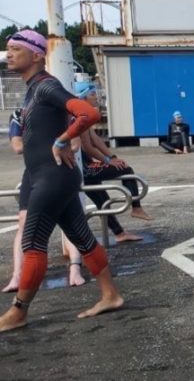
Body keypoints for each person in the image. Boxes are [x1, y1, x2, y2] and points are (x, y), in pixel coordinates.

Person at [0, 29, 123, 333]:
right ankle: (111, 295)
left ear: (37, 55)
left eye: (16, 48)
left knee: (32, 242)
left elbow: (87, 113)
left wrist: (62, 140)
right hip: (51, 176)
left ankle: (18, 312)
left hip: (53, 177)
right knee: (82, 237)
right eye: (8, 48)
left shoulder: (45, 86)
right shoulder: (33, 89)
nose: (9, 54)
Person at [75, 81, 154, 243]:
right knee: (125, 169)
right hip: (84, 169)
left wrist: (112, 157)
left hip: (85, 167)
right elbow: (88, 148)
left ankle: (120, 233)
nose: (96, 97)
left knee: (103, 200)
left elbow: (96, 141)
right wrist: (107, 161)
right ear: (82, 98)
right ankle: (136, 207)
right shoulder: (79, 116)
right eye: (92, 94)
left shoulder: (84, 114)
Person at [3, 109, 28, 293]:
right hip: (34, 173)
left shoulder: (61, 109)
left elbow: (75, 144)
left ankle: (75, 267)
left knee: (71, 224)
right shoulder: (20, 114)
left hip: (61, 172)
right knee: (23, 224)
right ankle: (17, 276)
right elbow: (17, 146)